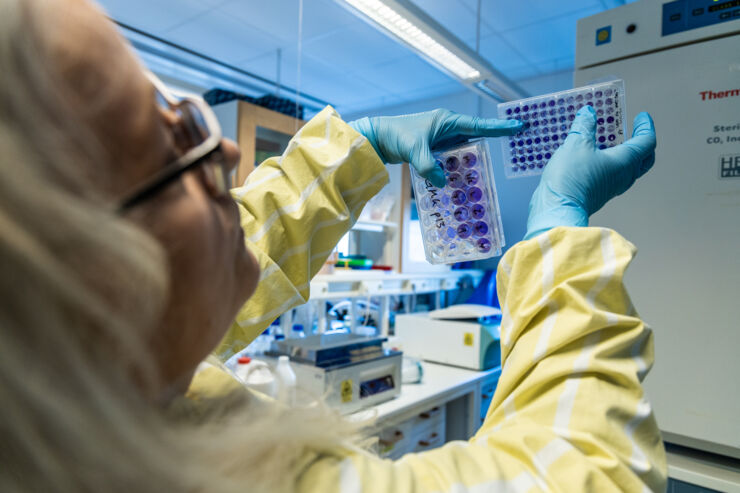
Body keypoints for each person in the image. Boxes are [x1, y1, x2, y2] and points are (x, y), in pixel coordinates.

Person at [0, 0, 666, 492]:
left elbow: (220, 256)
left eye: (189, 114)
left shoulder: (88, 381)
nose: (227, 148)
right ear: (99, 282)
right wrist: (557, 236)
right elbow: (586, 469)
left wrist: (359, 148)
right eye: (172, 138)